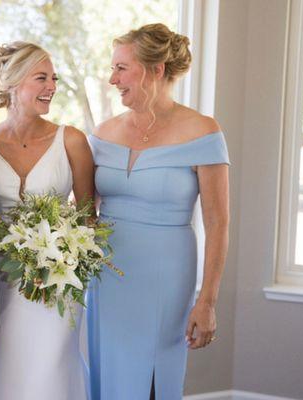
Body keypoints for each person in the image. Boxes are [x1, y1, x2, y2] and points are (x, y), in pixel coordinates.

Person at [86, 23, 230, 399]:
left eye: (121, 68)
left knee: (152, 380)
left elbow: (218, 223)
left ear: (156, 69)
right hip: (106, 279)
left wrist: (208, 300)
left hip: (166, 277)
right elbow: (85, 213)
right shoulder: (101, 134)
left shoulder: (203, 131)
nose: (112, 78)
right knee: (108, 376)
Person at [0, 41, 95, 400]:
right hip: (2, 282)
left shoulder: (71, 140)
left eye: (53, 78)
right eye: (41, 78)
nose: (52, 87)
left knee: (52, 369)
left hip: (59, 282)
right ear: (12, 83)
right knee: (10, 370)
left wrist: (62, 258)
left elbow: (88, 218)